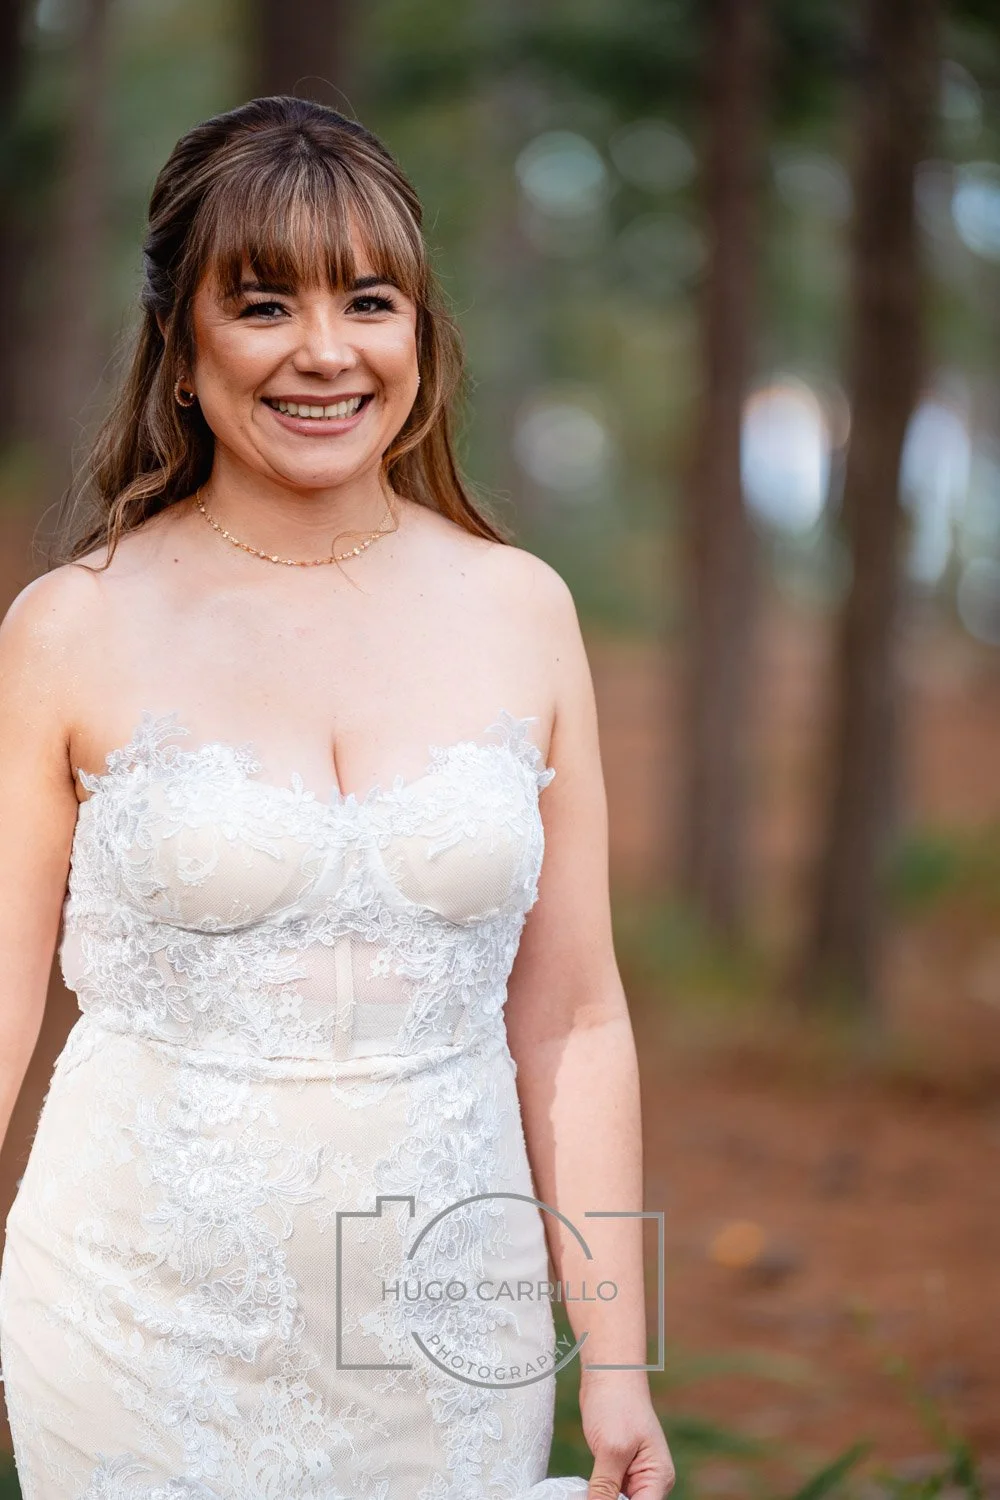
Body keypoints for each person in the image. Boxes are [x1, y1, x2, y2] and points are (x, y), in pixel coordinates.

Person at [0, 96, 675, 1500]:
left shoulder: (521, 609)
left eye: (370, 300)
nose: (325, 351)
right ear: (181, 348)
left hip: (449, 1311)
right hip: (133, 1311)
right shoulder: (70, 627)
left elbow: (576, 1012)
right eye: (261, 304)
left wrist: (617, 1358)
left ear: (419, 334)